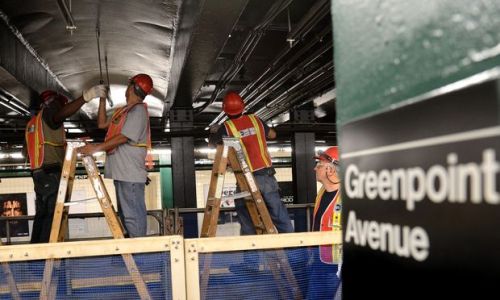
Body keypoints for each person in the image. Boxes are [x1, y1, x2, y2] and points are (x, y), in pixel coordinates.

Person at [25, 86, 108, 243]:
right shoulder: (50, 112)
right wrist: (86, 96)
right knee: (51, 216)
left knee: (42, 215)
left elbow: (50, 143)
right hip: (50, 172)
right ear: (53, 102)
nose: (62, 109)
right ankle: (45, 258)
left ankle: (34, 259)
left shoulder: (34, 123)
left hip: (39, 173)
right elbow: (59, 115)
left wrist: (74, 143)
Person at [78, 74, 153, 238]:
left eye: (129, 85)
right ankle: (134, 253)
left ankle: (140, 254)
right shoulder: (124, 111)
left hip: (130, 173)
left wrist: (96, 148)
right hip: (123, 173)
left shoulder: (138, 110)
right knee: (127, 216)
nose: (127, 88)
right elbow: (102, 124)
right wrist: (103, 100)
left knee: (133, 217)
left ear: (133, 87)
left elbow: (124, 137)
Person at [210, 91, 294, 235]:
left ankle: (252, 255)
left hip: (245, 179)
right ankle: (294, 249)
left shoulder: (226, 127)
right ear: (243, 106)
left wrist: (214, 131)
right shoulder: (255, 120)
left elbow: (213, 144)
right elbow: (272, 135)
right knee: (279, 214)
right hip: (266, 175)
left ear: (225, 110)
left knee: (246, 216)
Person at [307, 146, 342, 299]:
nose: (315, 168)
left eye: (319, 165)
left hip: (335, 265)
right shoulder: (322, 192)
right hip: (320, 259)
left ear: (331, 170)